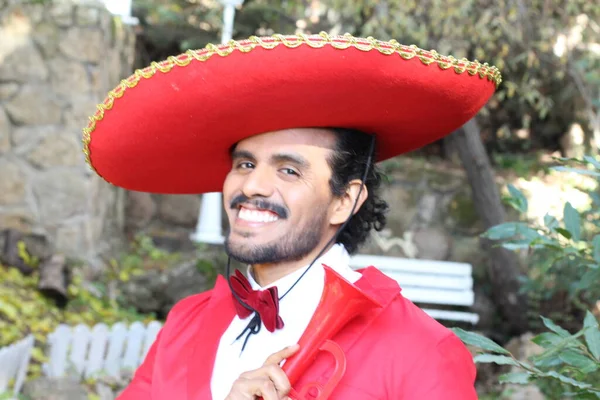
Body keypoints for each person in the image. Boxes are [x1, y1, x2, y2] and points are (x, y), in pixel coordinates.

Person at [83, 32, 501, 399]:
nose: (252, 187)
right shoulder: (186, 321)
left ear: (345, 200)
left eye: (288, 170)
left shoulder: (421, 351)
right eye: (245, 164)